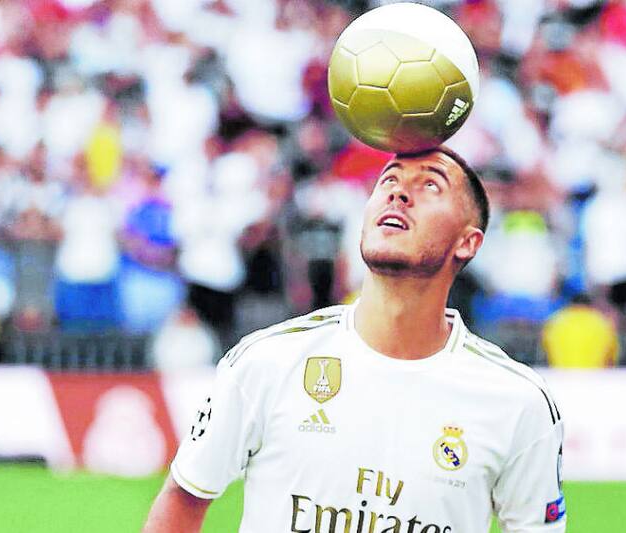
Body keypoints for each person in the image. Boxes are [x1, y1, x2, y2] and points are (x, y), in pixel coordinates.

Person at [143, 146, 566, 532]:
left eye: (430, 185)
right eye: (389, 180)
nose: (398, 193)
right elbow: (183, 498)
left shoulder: (518, 401)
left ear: (467, 242)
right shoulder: (267, 361)